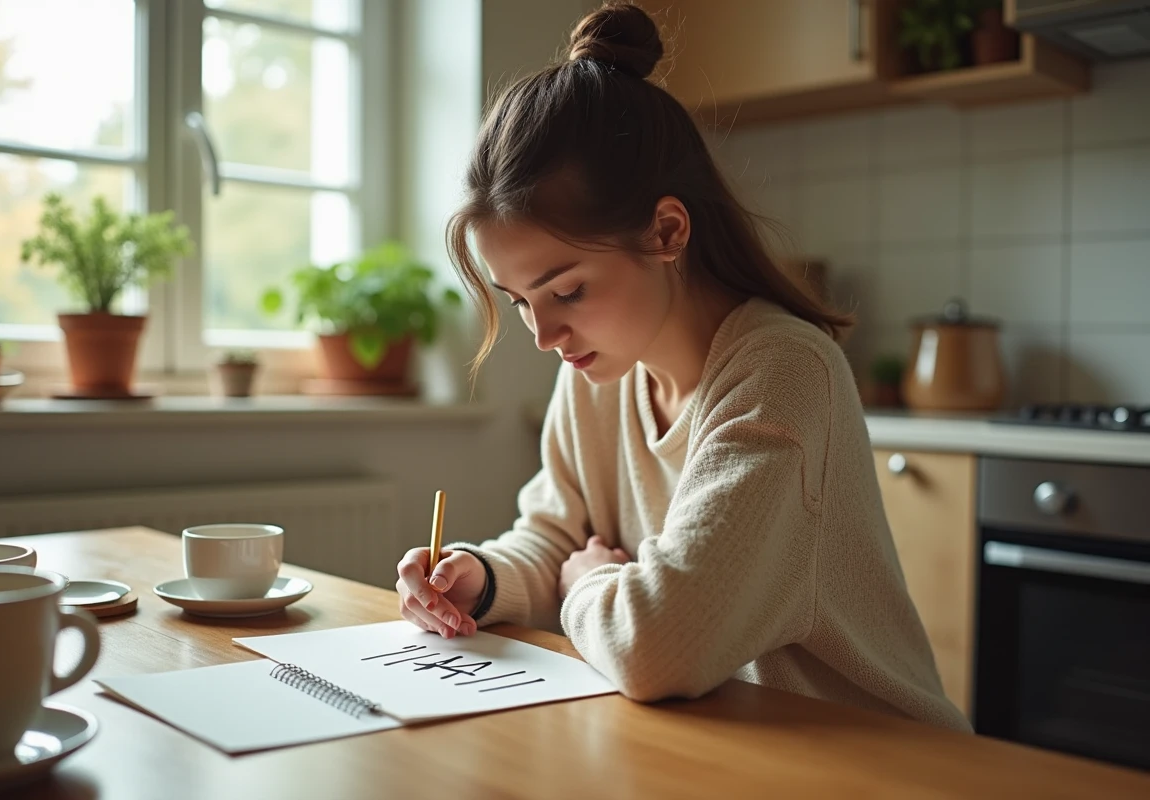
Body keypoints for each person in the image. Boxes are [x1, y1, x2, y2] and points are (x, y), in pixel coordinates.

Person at [394, 2, 971, 732]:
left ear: (667, 231)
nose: (543, 334)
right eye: (519, 302)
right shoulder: (594, 371)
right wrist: (479, 580)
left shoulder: (783, 372)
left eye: (566, 290)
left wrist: (594, 581)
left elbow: (657, 645)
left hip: (879, 762)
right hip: (723, 743)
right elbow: (556, 540)